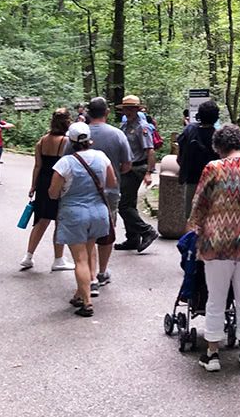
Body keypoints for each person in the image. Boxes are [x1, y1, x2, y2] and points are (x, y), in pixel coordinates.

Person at [187, 124, 240, 372]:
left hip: (217, 243)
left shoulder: (213, 169)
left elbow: (200, 203)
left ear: (219, 147)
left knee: (216, 298)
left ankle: (212, 354)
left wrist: (194, 228)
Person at [48, 122, 119, 318]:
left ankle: (87, 302)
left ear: (70, 141)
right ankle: (80, 293)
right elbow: (112, 183)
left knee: (80, 259)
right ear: (89, 139)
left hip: (74, 213)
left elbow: (53, 193)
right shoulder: (102, 157)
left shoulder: (64, 163)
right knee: (89, 252)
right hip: (98, 212)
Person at [85, 97, 132, 289]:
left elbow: (66, 162)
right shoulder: (118, 134)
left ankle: (88, 274)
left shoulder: (78, 133)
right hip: (110, 192)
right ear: (107, 113)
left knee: (87, 233)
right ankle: (102, 271)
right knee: (107, 230)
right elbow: (127, 164)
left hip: (81, 192)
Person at [19, 109, 75, 271]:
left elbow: (38, 165)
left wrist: (33, 185)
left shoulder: (42, 141)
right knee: (59, 220)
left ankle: (28, 256)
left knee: (41, 219)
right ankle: (59, 259)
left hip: (43, 182)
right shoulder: (66, 142)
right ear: (67, 122)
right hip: (57, 181)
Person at [115, 94, 158, 253]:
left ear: (137, 109)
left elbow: (150, 150)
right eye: (126, 108)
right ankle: (132, 238)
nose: (128, 111)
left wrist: (149, 172)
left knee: (123, 205)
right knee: (129, 202)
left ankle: (147, 231)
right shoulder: (125, 126)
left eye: (132, 108)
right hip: (126, 168)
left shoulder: (142, 127)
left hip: (137, 168)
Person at [177, 99, 219, 219]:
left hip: (192, 179)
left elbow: (180, 157)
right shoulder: (219, 136)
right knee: (211, 216)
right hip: (213, 182)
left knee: (191, 217)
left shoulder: (189, 131)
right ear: (216, 117)